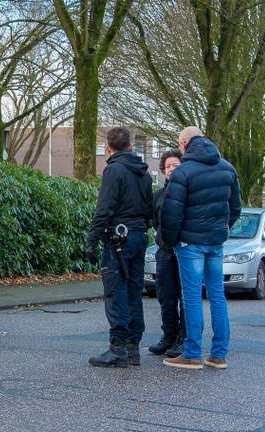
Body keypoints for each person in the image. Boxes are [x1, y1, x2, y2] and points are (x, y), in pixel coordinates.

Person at [160, 126, 241, 370]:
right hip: (215, 242)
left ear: (185, 143)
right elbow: (235, 208)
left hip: (189, 243)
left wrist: (170, 240)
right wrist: (220, 229)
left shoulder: (183, 172)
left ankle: (192, 353)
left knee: (192, 297)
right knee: (217, 296)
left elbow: (171, 213)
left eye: (179, 144)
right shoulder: (228, 168)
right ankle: (219, 354)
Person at [86, 127, 153, 368]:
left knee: (115, 292)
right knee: (134, 291)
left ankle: (118, 348)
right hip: (138, 237)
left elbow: (104, 208)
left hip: (118, 240)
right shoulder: (144, 174)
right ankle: (133, 347)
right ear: (131, 147)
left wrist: (92, 240)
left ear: (108, 148)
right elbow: (149, 209)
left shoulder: (113, 171)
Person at [149, 149, 186, 358]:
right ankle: (168, 336)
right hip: (164, 252)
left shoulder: (189, 192)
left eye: (176, 165)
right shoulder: (159, 195)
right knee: (166, 295)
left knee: (185, 296)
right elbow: (156, 221)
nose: (171, 169)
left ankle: (183, 338)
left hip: (184, 250)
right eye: (168, 166)